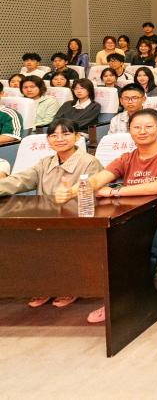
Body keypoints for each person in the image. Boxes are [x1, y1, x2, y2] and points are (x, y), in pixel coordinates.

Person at [84, 108, 157, 323]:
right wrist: (76, 189)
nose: (142, 131)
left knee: (144, 250)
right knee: (110, 245)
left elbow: (156, 187)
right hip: (134, 217)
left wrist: (114, 192)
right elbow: (98, 180)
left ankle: (131, 301)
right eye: (136, 127)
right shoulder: (126, 158)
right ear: (129, 131)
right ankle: (117, 297)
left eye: (148, 126)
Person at [0, 118, 103, 309]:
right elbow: (19, 181)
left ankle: (69, 287)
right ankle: (45, 286)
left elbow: (93, 195)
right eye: (53, 135)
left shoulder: (90, 163)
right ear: (48, 140)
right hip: (46, 219)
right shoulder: (45, 163)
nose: (59, 139)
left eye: (66, 134)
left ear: (77, 136)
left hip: (78, 220)